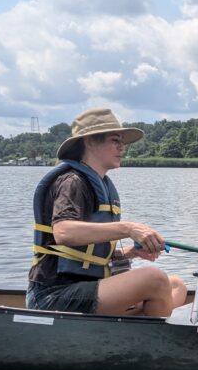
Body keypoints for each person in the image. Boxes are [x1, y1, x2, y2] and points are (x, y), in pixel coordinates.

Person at [27, 107, 187, 317]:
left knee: (175, 284)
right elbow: (64, 232)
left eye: (123, 142)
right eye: (115, 140)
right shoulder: (72, 182)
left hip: (85, 290)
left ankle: (136, 326)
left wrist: (130, 252)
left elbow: (87, 256)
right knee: (155, 280)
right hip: (53, 295)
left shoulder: (97, 184)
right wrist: (129, 228)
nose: (122, 147)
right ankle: (154, 337)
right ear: (90, 141)